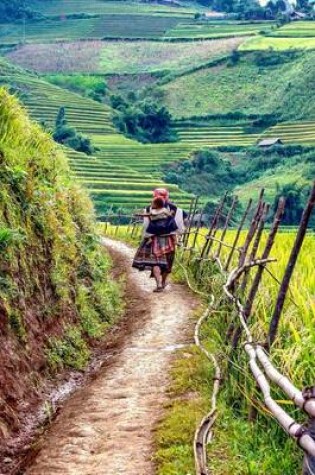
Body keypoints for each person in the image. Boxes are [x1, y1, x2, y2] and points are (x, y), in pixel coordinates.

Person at [132, 188, 186, 292]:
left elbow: (146, 225)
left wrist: (147, 237)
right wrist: (176, 238)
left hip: (154, 239)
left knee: (155, 263)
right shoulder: (177, 210)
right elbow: (180, 228)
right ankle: (164, 281)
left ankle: (159, 284)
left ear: (154, 197)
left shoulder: (148, 210)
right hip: (170, 240)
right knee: (168, 263)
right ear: (167, 197)